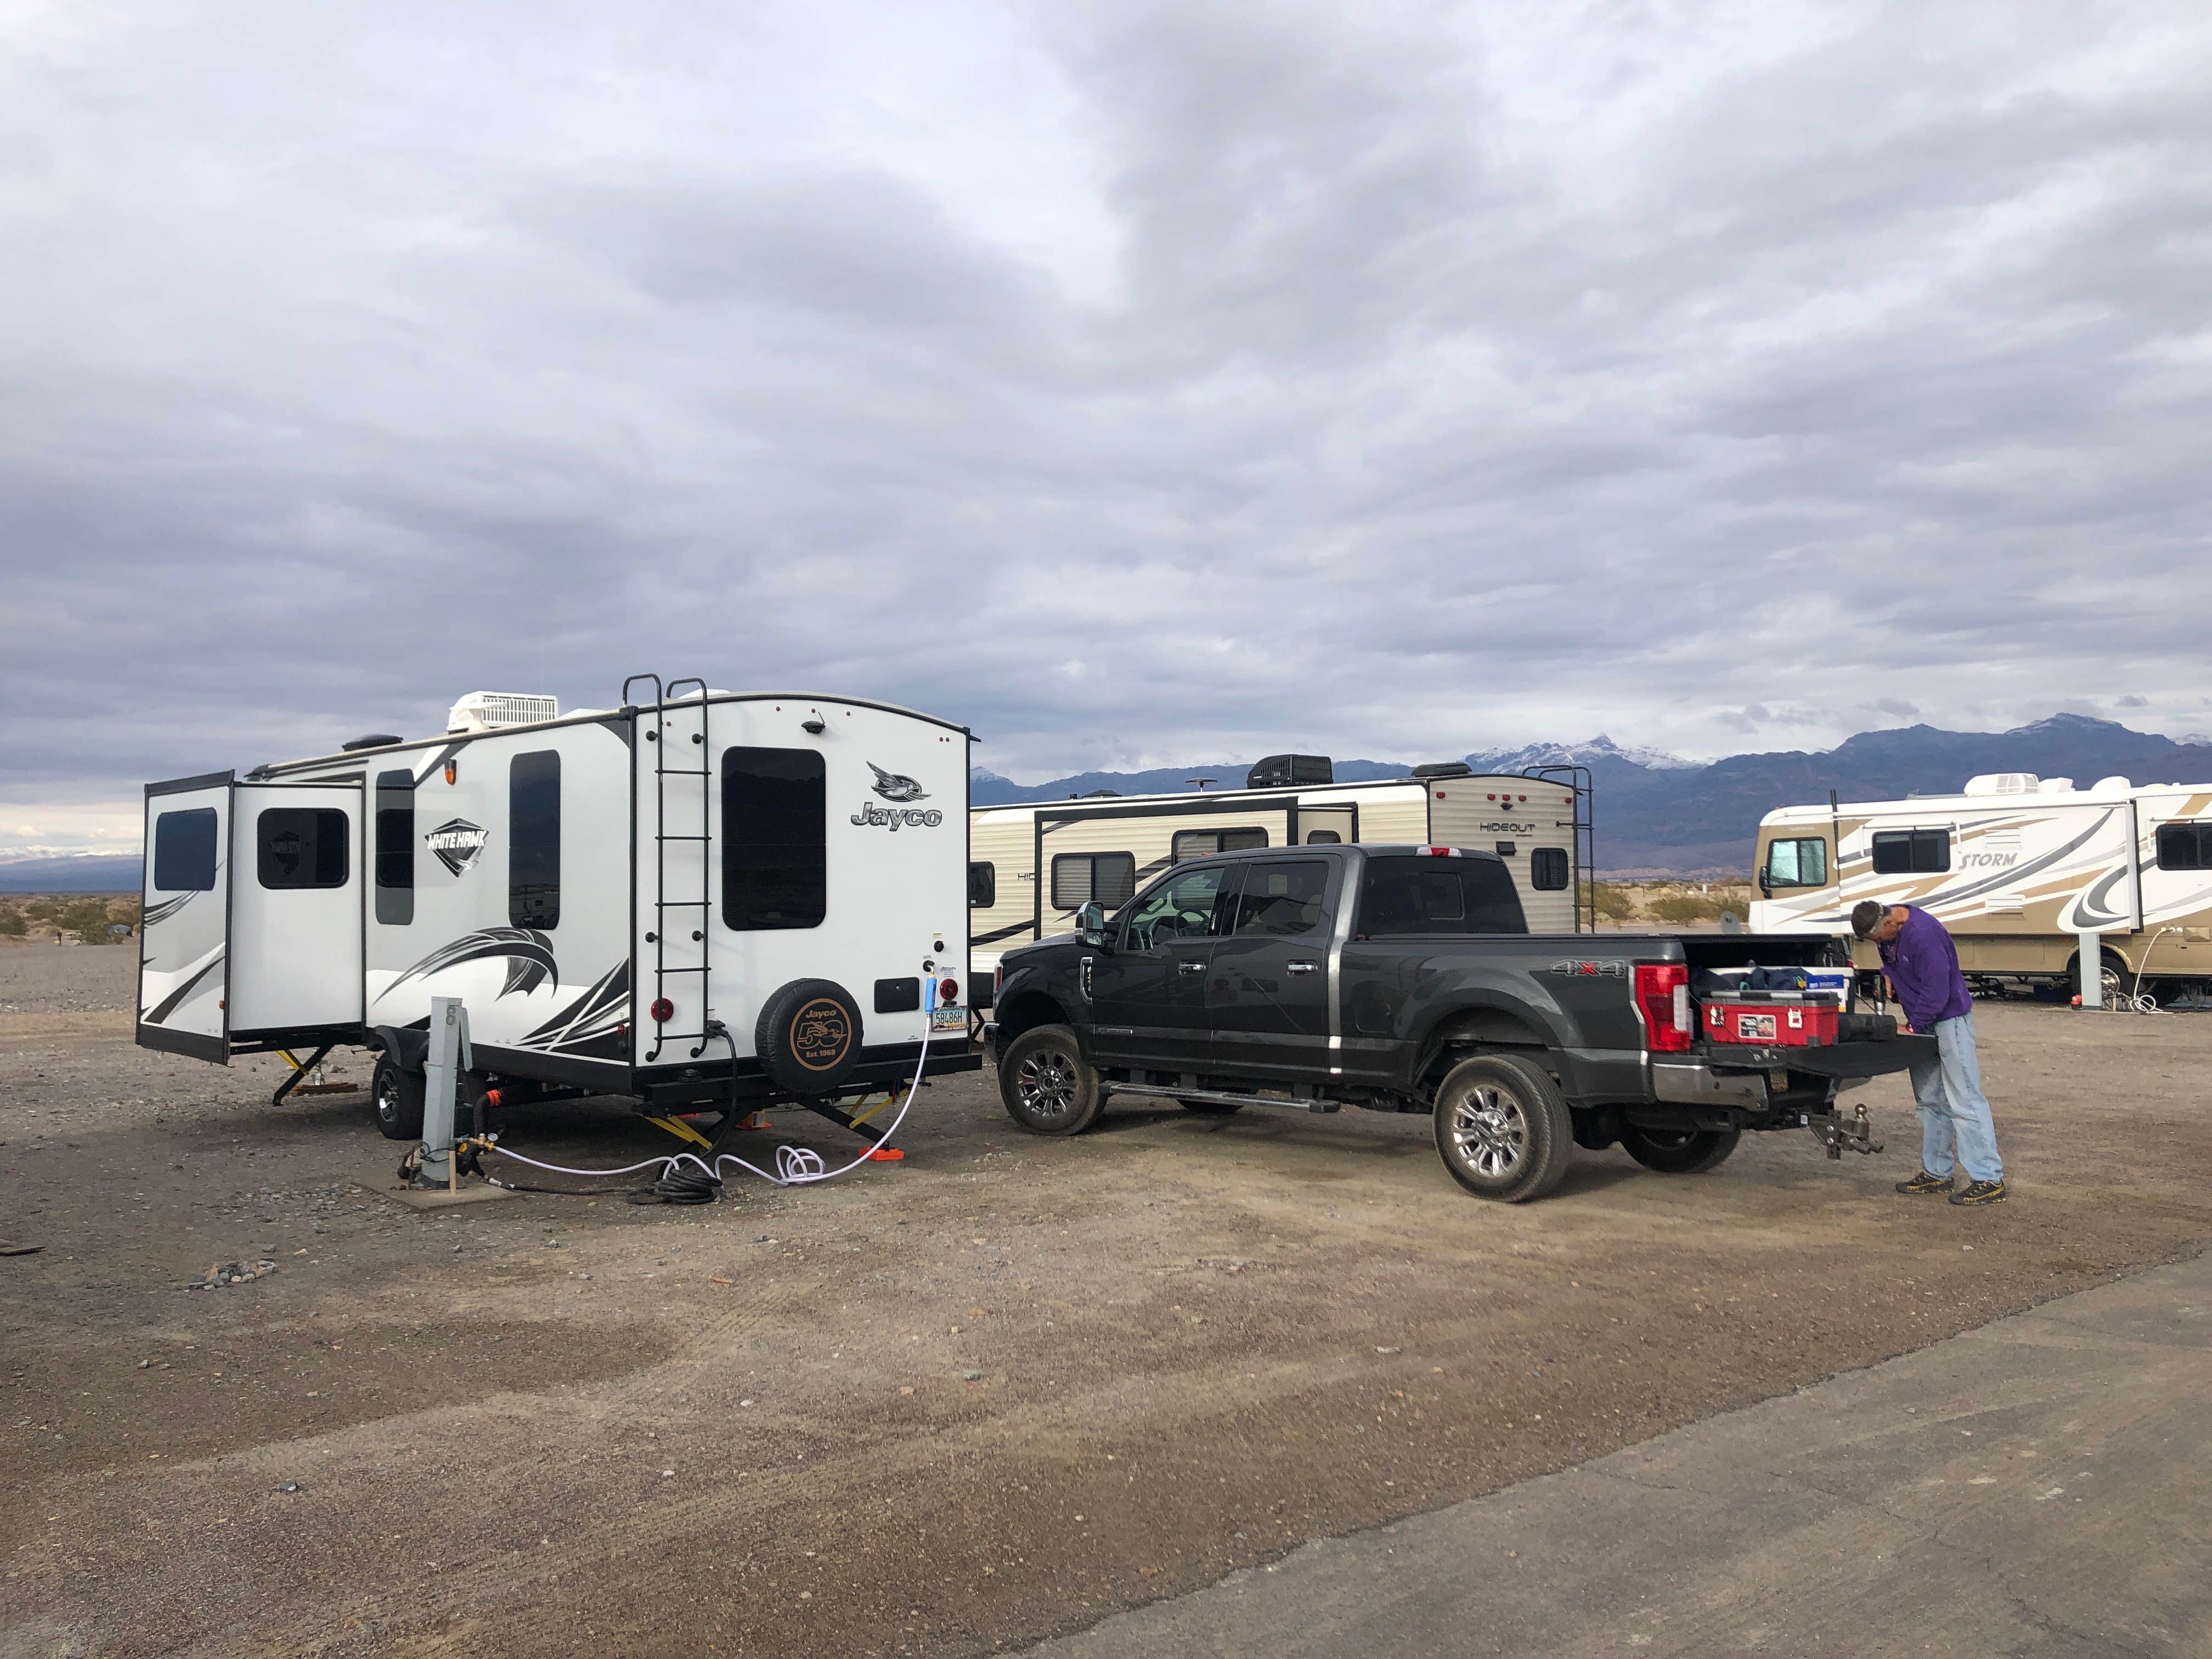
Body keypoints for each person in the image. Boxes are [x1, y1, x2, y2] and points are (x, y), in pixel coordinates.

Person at [1852, 900, 2006, 1205]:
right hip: (1922, 1019)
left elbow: (1939, 991)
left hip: (1948, 1020)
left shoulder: (1924, 935)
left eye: (1879, 940)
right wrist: (1888, 974)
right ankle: (1937, 1173)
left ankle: (1989, 1178)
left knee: (1964, 1099)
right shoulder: (1891, 931)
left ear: (1890, 924)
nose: (1879, 945)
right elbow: (1893, 961)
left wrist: (1912, 1027)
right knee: (1930, 1100)